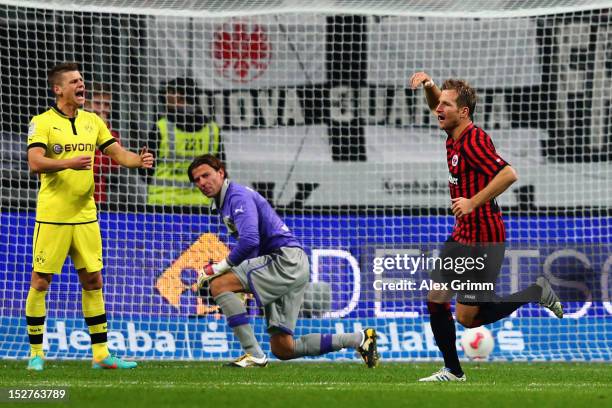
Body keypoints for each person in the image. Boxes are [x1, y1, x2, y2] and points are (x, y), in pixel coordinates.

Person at [409, 72, 563, 382]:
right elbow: (438, 105)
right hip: (463, 231)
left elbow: (509, 174)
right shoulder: (453, 132)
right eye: (439, 104)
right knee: (436, 298)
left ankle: (535, 292)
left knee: (468, 318)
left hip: (483, 235)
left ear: (463, 112)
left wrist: (471, 202)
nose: (439, 109)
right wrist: (429, 87)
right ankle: (453, 371)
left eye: (446, 105)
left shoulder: (474, 140)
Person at [188, 154, 378, 368]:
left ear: (221, 172)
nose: (202, 183)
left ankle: (254, 355)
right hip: (291, 263)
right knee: (283, 348)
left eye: (206, 175)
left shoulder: (237, 197)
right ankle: (360, 339)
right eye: (197, 180)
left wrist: (217, 268)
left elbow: (250, 241)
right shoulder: (227, 202)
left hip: (283, 260)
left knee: (219, 283)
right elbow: (253, 246)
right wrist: (239, 283)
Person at [25, 62, 154, 371]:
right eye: (73, 81)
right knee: (41, 282)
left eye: (81, 80)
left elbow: (116, 152)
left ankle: (101, 355)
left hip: (86, 215)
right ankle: (36, 354)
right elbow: (35, 162)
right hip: (53, 216)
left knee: (94, 280)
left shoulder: (92, 121)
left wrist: (137, 160)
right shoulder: (42, 122)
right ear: (59, 89)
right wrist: (68, 163)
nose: (80, 84)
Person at [147, 77, 222, 206]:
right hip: (202, 205)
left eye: (170, 91)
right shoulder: (212, 129)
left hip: (164, 204)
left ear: (180, 96)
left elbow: (145, 168)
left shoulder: (162, 127)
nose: (165, 96)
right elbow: (221, 169)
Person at [84, 82, 121, 203]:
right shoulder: (73, 127)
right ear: (87, 105)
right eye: (97, 103)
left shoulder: (112, 134)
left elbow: (115, 164)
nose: (102, 109)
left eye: (106, 105)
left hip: (98, 201)